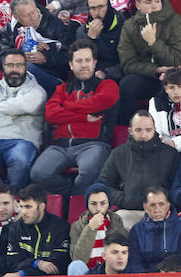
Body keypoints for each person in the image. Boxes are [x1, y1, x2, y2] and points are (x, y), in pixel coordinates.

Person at [31, 39, 117, 196]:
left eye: (87, 60)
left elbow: (101, 101)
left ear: (94, 63)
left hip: (93, 145)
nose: (84, 65)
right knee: (38, 173)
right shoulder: (62, 89)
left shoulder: (107, 85)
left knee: (89, 171)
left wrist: (66, 106)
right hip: (60, 146)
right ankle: (70, 196)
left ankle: (75, 202)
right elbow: (51, 114)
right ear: (71, 65)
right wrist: (84, 117)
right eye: (78, 61)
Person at [0, 48, 46, 189]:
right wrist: (12, 117)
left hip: (22, 141)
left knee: (20, 161)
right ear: (2, 67)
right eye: (10, 65)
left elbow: (30, 104)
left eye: (19, 65)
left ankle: (15, 197)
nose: (15, 69)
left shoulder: (37, 92)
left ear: (26, 67)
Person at [117, 0, 181, 122]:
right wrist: (155, 70)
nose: (154, 6)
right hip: (147, 76)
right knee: (127, 84)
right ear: (138, 5)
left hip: (173, 76)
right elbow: (127, 64)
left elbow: (176, 61)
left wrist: (153, 43)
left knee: (176, 84)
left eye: (157, 1)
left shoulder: (177, 23)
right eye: (148, 2)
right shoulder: (129, 26)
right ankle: (129, 128)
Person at [96, 109, 181, 221]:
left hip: (162, 212)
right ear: (130, 130)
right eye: (138, 130)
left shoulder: (171, 154)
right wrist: (124, 199)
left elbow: (177, 187)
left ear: (155, 129)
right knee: (116, 223)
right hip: (128, 211)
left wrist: (161, 201)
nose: (143, 134)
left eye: (148, 130)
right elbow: (104, 186)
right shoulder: (118, 153)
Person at [0, 184, 71, 277]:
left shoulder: (60, 227)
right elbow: (12, 263)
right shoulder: (16, 227)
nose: (23, 212)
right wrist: (35, 263)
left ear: (41, 207)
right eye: (21, 206)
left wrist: (24, 273)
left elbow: (56, 267)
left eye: (28, 207)